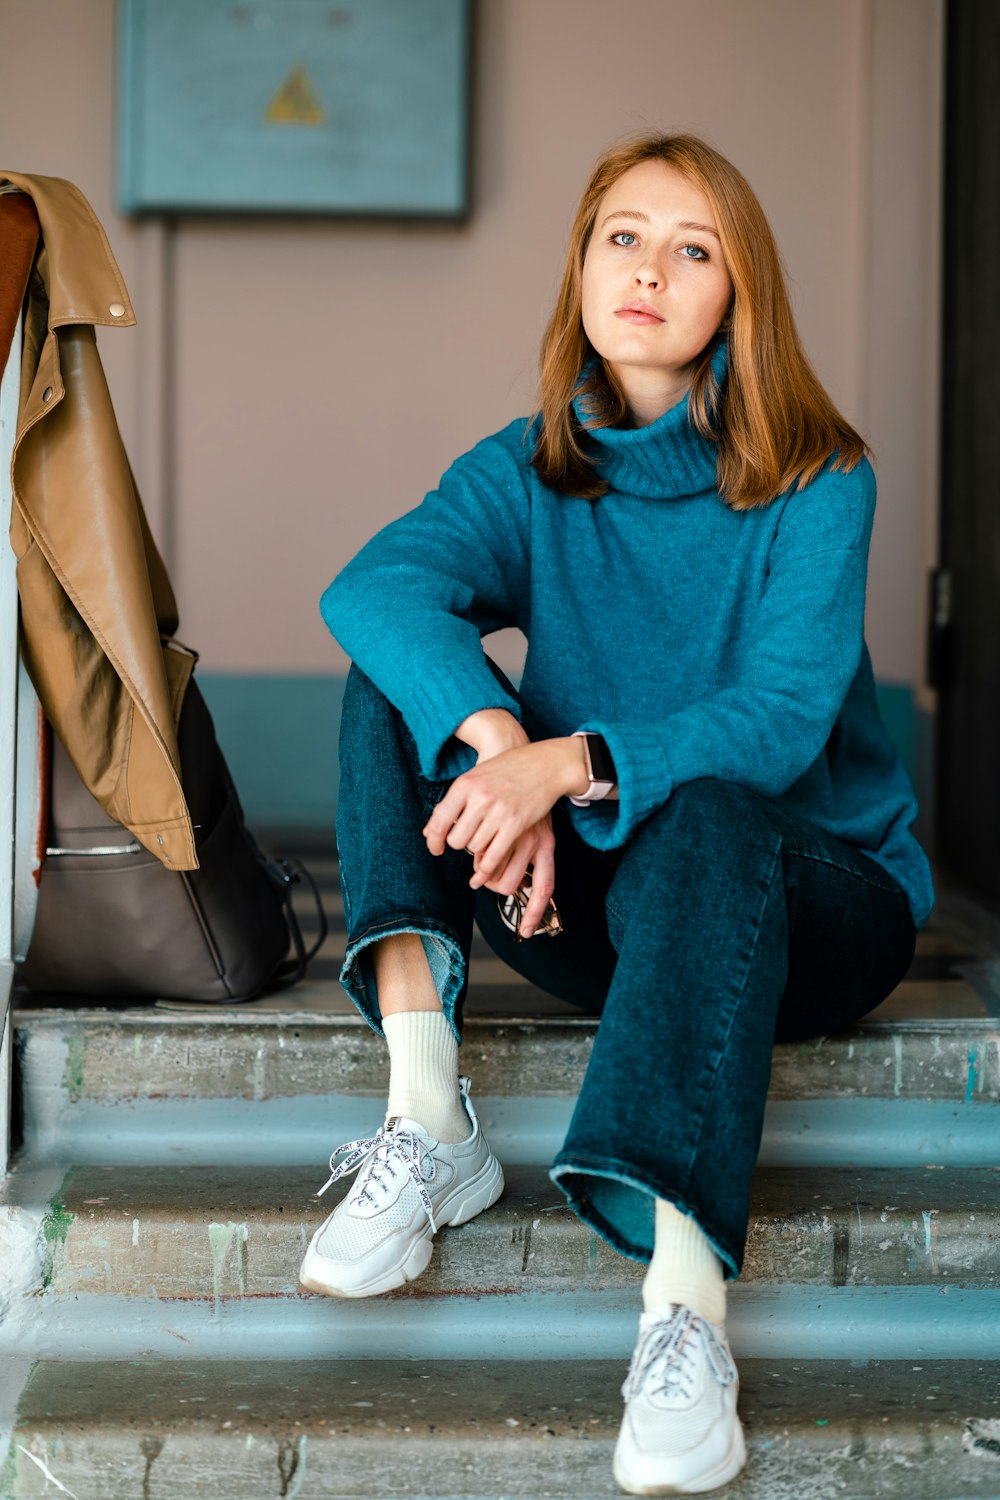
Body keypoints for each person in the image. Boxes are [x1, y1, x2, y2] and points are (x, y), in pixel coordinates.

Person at [302, 132, 934, 1495]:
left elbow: (779, 718)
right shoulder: (530, 468)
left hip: (815, 900)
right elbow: (372, 586)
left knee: (709, 812)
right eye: (622, 237)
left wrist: (565, 764)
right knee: (393, 679)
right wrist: (499, 744)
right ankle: (430, 1121)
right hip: (595, 898)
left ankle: (685, 1317)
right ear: (581, 270)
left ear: (737, 295)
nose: (649, 269)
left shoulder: (821, 478)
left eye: (692, 248)